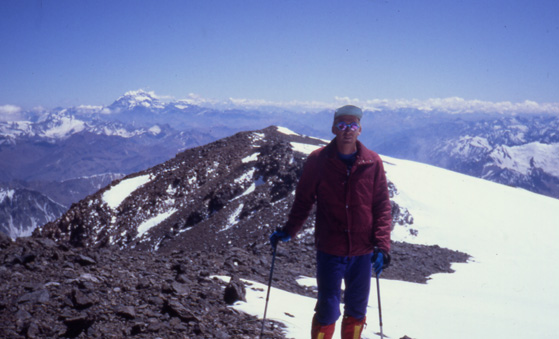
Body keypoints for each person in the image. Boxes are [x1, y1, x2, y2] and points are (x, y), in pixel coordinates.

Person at [270, 105, 392, 339]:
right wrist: (289, 230)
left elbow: (381, 206)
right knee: (327, 311)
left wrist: (382, 246)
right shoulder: (318, 160)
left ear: (360, 130)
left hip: (362, 251)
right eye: (343, 125)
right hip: (330, 249)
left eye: (353, 125)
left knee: (357, 311)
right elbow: (304, 200)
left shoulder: (372, 162)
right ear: (334, 128)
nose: (348, 130)